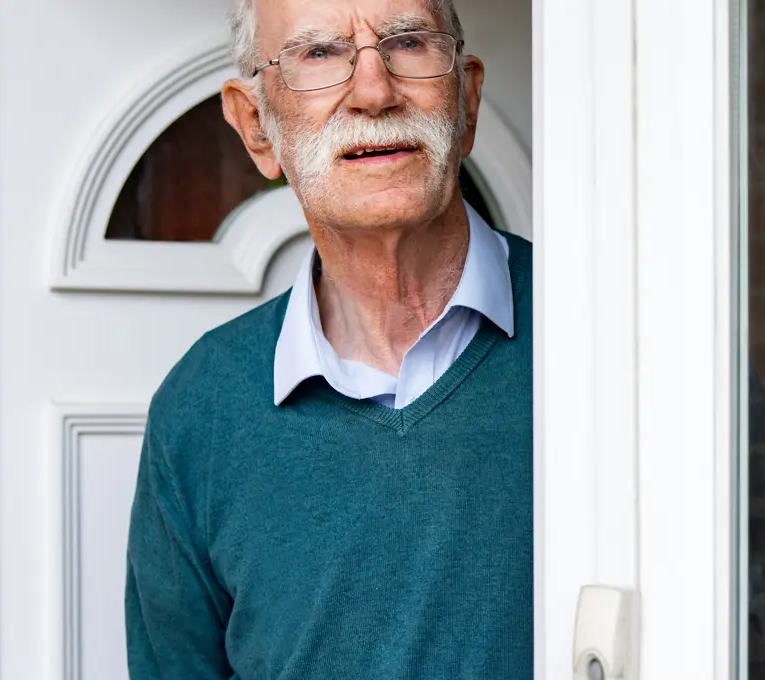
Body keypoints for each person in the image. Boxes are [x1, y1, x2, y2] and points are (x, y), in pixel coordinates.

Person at [123, 0, 530, 676]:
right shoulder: (202, 407)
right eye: (319, 53)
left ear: (466, 99)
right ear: (257, 126)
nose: (374, 91)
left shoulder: (623, 337)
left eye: (408, 42)